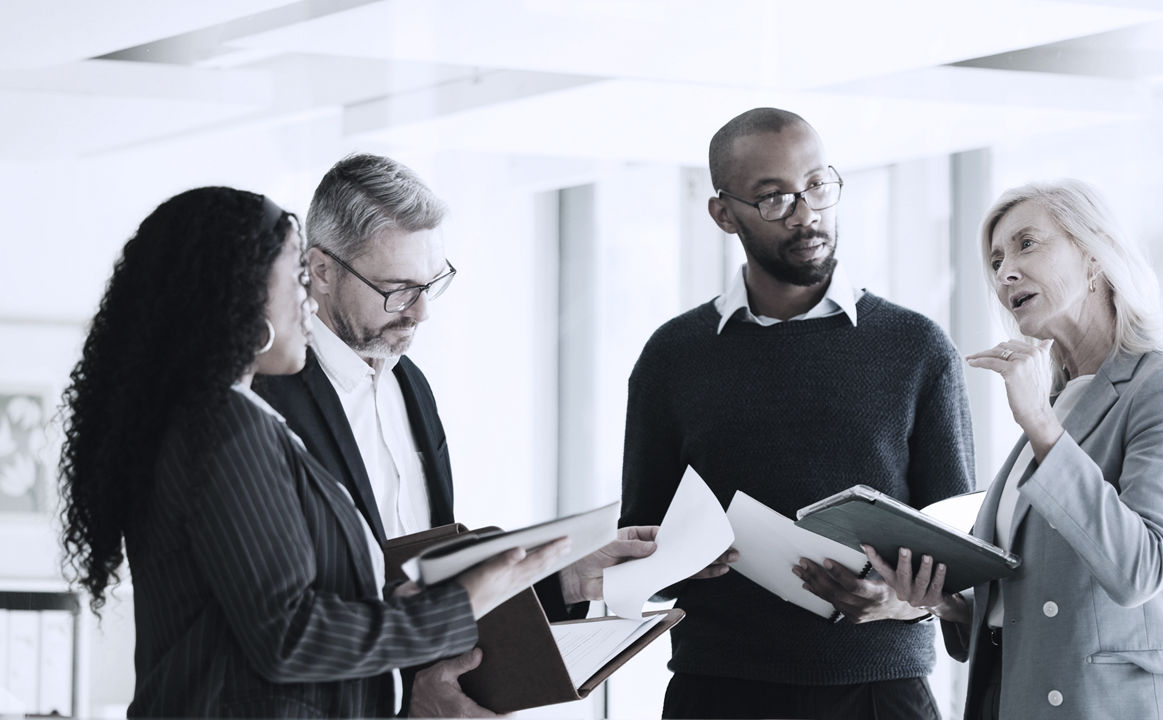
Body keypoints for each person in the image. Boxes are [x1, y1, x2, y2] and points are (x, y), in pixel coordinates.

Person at [58, 186, 567, 717]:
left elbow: (273, 612)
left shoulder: (218, 420)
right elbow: (289, 637)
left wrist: (405, 605)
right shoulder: (224, 425)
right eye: (298, 281)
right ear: (242, 296)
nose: (309, 302)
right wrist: (460, 608)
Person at [253, 154, 657, 717]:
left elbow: (428, 579)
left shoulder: (409, 385)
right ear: (320, 270)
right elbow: (278, 623)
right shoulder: (264, 400)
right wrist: (398, 703)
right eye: (397, 289)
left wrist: (564, 578)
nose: (421, 313)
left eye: (432, 284)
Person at [619, 107, 976, 720]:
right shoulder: (673, 356)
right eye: (774, 198)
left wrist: (896, 600)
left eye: (817, 185)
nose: (807, 213)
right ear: (723, 213)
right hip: (719, 691)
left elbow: (959, 556)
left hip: (879, 692)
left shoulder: (915, 347)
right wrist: (679, 561)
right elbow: (639, 543)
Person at [865, 179, 1163, 719]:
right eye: (996, 259)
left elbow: (1140, 570)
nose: (1005, 271)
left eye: (1027, 244)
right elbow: (1034, 593)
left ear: (1095, 254)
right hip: (1013, 696)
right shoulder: (1061, 400)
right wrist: (943, 602)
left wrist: (1039, 424)